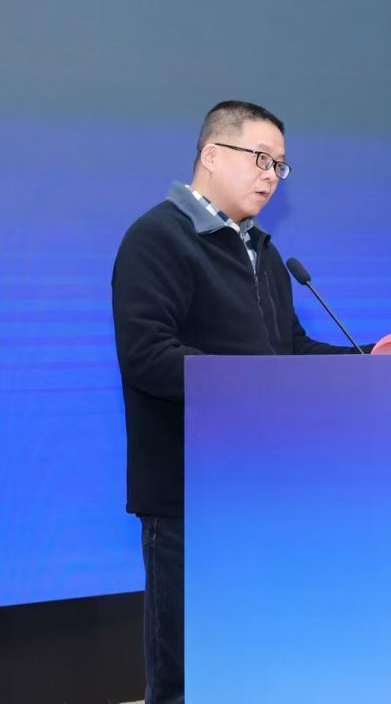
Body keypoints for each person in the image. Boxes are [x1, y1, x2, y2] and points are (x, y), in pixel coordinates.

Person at [111, 100, 363, 703]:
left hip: (262, 485)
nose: (271, 176)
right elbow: (147, 355)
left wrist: (368, 361)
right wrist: (252, 383)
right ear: (211, 155)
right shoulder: (157, 238)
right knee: (188, 675)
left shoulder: (263, 252)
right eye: (260, 159)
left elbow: (288, 350)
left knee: (255, 662)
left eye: (280, 166)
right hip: (188, 493)